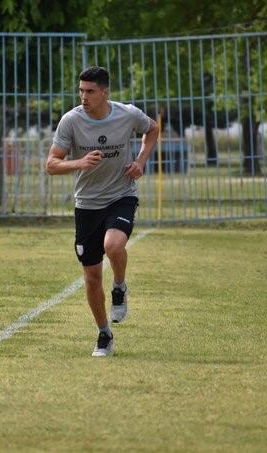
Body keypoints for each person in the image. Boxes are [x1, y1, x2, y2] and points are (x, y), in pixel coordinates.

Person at [46, 66, 159, 357]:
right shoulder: (70, 121)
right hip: (87, 204)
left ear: (104, 92)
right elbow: (52, 164)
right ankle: (104, 334)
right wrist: (78, 163)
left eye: (90, 91)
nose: (84, 96)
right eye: (81, 90)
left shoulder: (127, 114)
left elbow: (152, 128)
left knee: (113, 245)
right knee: (92, 276)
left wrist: (141, 161)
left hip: (121, 194)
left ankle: (119, 286)